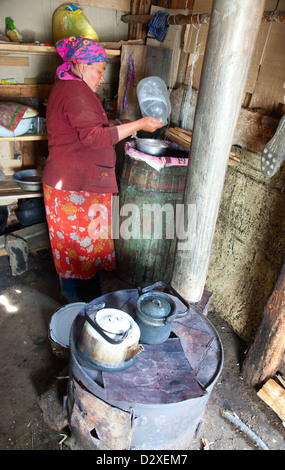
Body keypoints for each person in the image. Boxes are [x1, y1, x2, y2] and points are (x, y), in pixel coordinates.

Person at [42, 36, 163, 303]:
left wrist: (121, 123)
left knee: (77, 250)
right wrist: (139, 124)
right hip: (74, 187)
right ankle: (77, 310)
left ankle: (81, 305)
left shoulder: (71, 87)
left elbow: (88, 128)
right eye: (99, 70)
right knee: (76, 251)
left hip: (76, 183)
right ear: (82, 66)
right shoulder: (74, 92)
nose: (101, 76)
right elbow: (94, 137)